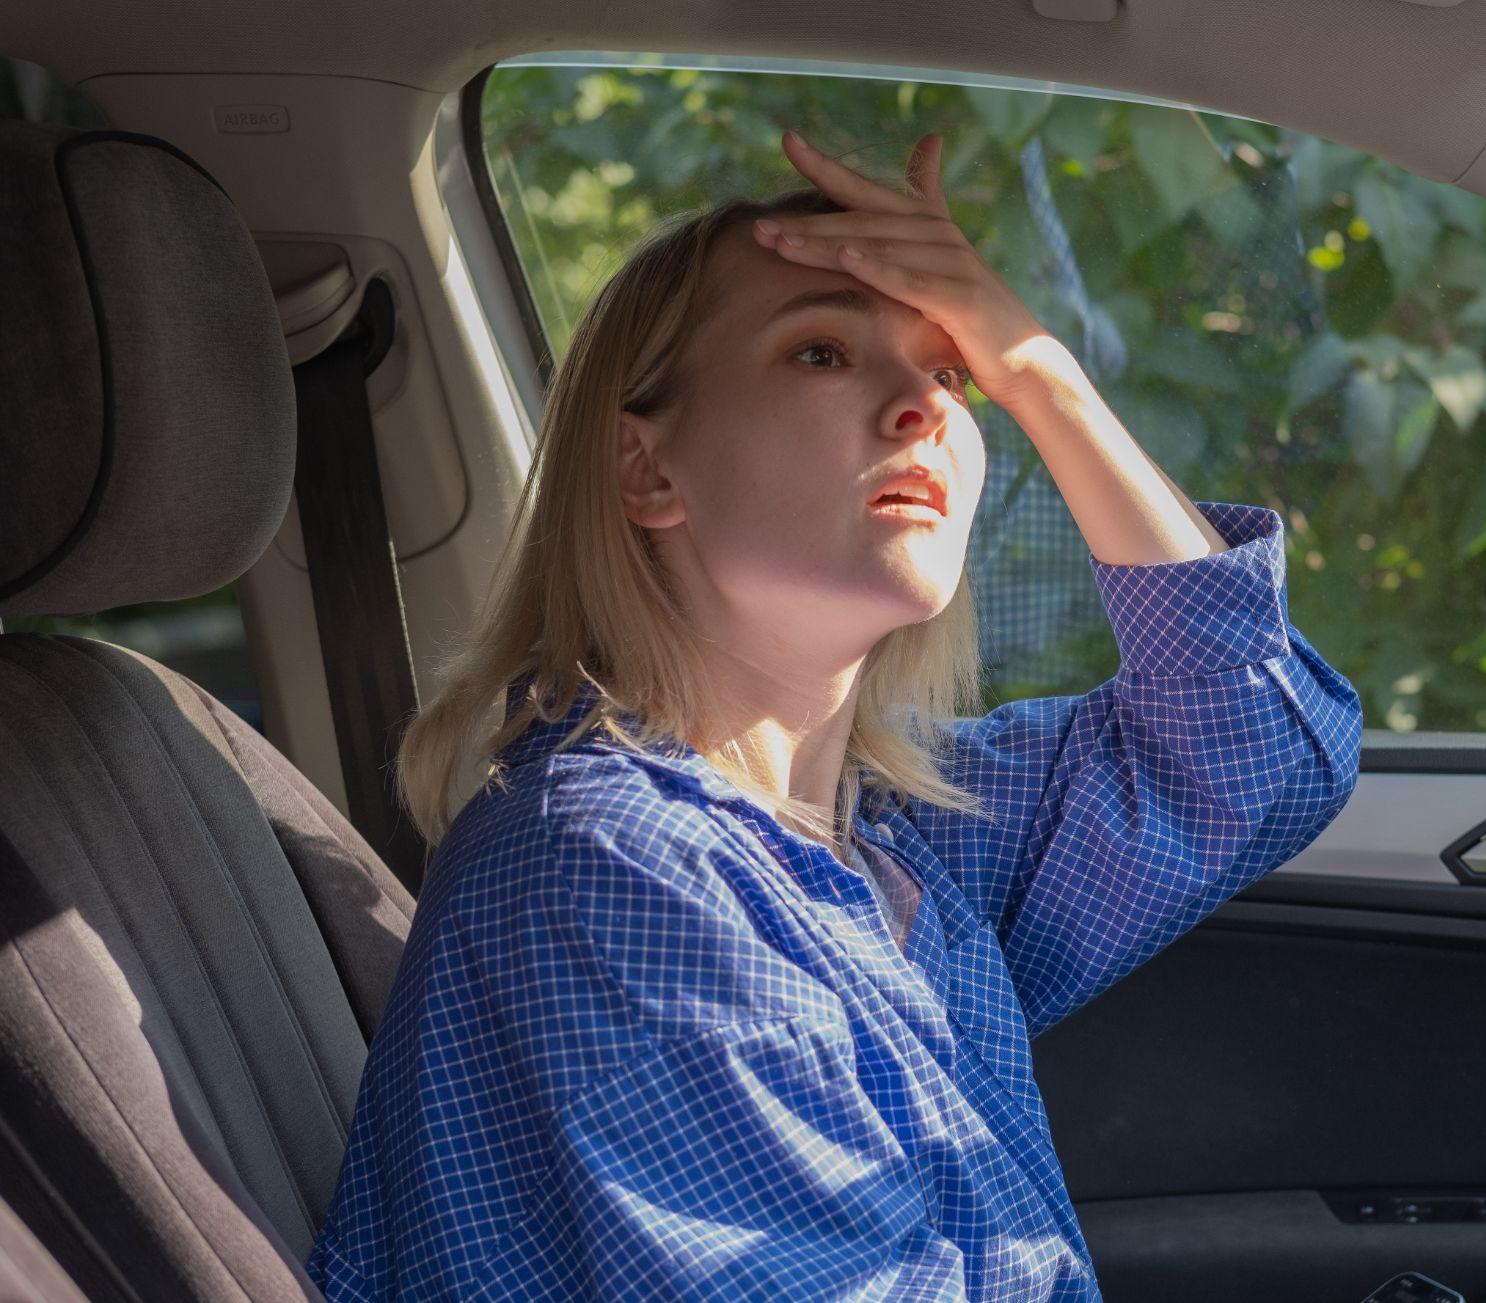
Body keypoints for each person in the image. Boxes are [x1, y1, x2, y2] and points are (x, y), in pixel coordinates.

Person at [306, 127, 1364, 1301]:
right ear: (645, 472)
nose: (922, 402)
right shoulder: (619, 869)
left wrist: (1035, 370)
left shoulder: (880, 832)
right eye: (821, 352)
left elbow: (1251, 751)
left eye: (950, 369)